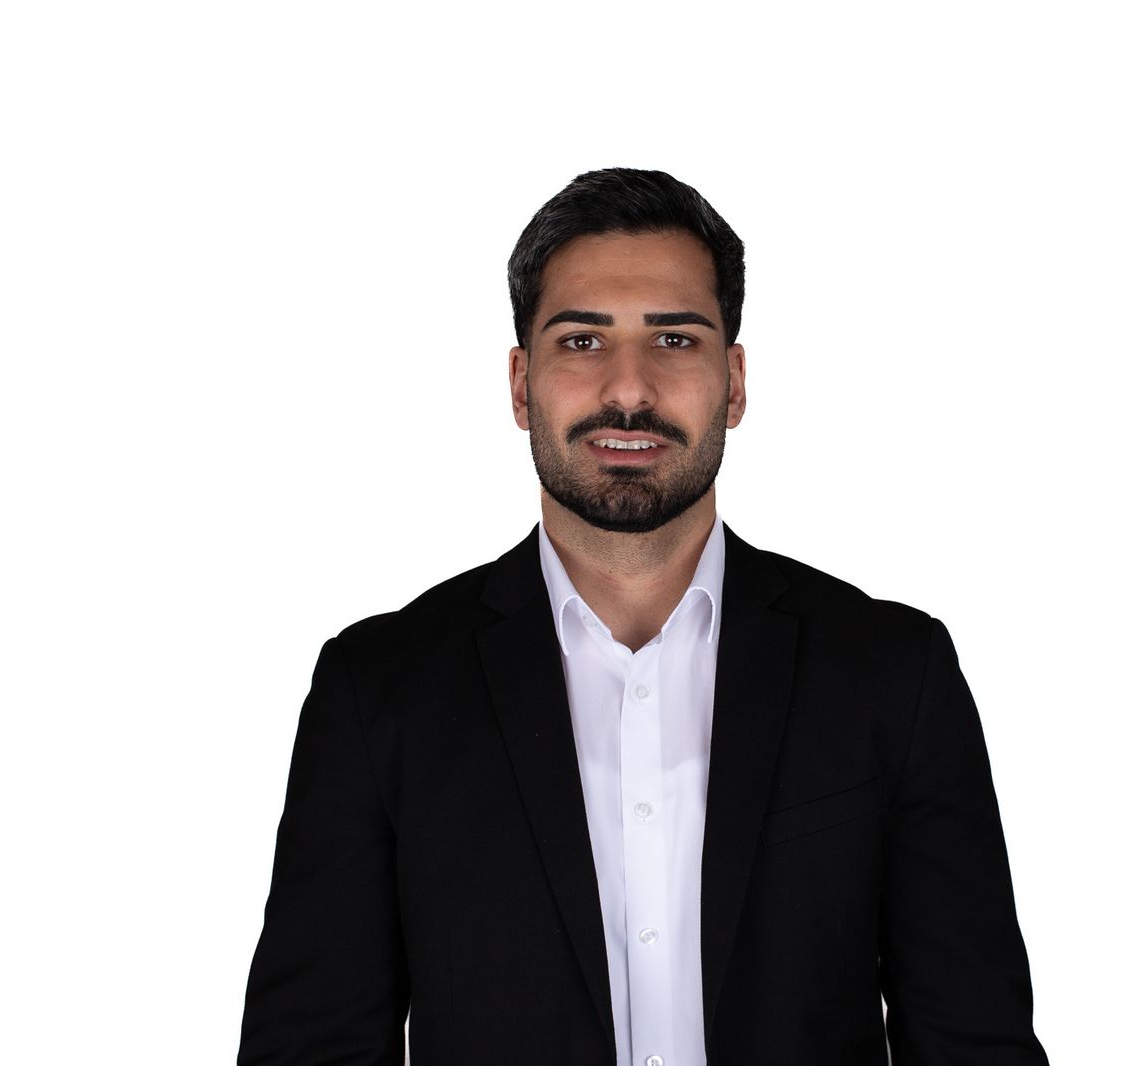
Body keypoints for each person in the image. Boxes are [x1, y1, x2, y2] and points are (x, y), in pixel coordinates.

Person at [237, 168, 1050, 1066]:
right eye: (583, 340)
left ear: (734, 382)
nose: (629, 388)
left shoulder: (894, 674)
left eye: (674, 338)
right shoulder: (377, 691)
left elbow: (975, 1046)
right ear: (521, 385)